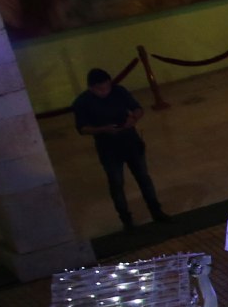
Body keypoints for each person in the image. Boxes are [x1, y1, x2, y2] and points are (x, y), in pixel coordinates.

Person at [72, 67, 168, 228]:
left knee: (144, 178)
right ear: (91, 88)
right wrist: (103, 129)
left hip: (131, 142)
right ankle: (126, 220)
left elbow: (137, 108)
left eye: (107, 87)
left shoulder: (118, 91)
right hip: (108, 148)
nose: (105, 92)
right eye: (100, 89)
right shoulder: (82, 102)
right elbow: (82, 128)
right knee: (116, 184)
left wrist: (133, 118)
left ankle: (156, 211)